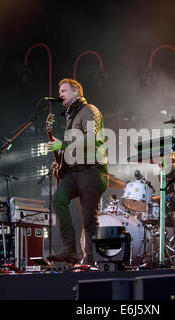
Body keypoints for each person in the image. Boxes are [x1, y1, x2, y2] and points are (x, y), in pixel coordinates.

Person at [45, 78, 108, 265]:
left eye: (64, 90)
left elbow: (92, 139)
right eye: (60, 91)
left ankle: (91, 260)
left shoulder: (89, 110)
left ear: (77, 93)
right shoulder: (70, 118)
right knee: (59, 198)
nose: (60, 94)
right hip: (74, 172)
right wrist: (61, 162)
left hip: (92, 171)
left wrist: (61, 143)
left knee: (89, 219)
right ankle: (69, 249)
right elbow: (73, 148)